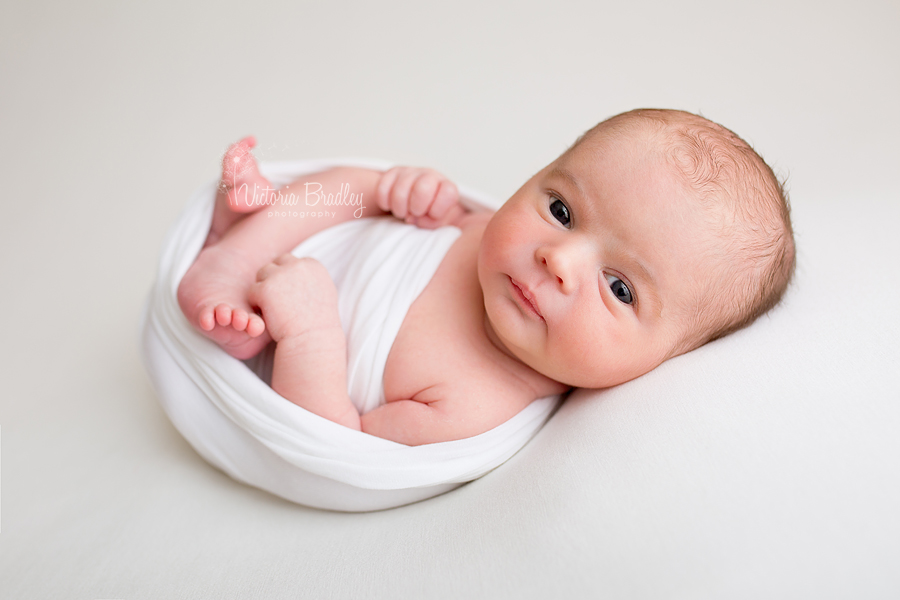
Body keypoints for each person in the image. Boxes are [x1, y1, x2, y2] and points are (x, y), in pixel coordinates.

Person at [177, 109, 795, 445]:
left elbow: (333, 447)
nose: (560, 258)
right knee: (360, 182)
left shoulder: (481, 402)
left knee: (256, 325)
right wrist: (416, 194)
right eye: (561, 210)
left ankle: (237, 271)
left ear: (660, 361)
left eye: (621, 288)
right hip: (309, 243)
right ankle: (231, 252)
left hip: (281, 339)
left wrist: (309, 334)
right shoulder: (490, 239)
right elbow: (432, 213)